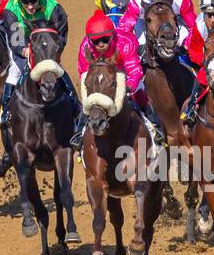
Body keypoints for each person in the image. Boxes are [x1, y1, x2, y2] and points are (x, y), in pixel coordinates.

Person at [71, 10, 166, 150]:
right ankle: (79, 133)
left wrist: (127, 87)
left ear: (112, 35)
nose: (101, 44)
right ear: (90, 39)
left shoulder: (124, 42)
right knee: (89, 100)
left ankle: (156, 126)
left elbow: (134, 69)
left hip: (124, 76)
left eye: (105, 39)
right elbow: (84, 73)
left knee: (139, 92)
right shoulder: (85, 47)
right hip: (100, 80)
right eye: (96, 41)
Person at [0, 0, 79, 126]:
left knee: (58, 70)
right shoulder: (11, 8)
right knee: (15, 71)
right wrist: (27, 53)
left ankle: (76, 108)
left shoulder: (53, 8)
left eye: (34, 0)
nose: (30, 5)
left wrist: (50, 55)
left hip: (47, 47)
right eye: (25, 1)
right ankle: (6, 111)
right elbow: (16, 43)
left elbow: (61, 39)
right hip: (23, 46)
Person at [117, 0, 195, 66]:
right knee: (141, 48)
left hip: (175, 24)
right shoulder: (137, 0)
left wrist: (187, 44)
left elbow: (194, 26)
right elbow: (124, 28)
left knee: (190, 47)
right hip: (145, 25)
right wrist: (131, 49)